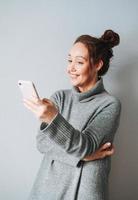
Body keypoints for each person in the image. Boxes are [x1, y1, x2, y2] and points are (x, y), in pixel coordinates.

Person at [24, 29, 122, 200]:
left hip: (83, 191)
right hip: (47, 187)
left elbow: (85, 145)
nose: (71, 68)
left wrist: (52, 119)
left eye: (79, 62)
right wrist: (84, 157)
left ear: (98, 64)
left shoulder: (110, 104)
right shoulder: (60, 97)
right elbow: (42, 144)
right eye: (69, 60)